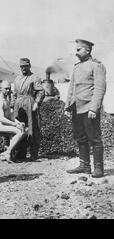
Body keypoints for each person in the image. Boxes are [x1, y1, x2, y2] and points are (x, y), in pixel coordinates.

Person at [65, 39, 107, 178]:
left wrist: (94, 108)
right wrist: (67, 106)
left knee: (94, 139)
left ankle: (98, 168)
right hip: (76, 108)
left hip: (89, 108)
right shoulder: (77, 67)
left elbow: (100, 88)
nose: (75, 52)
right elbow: (72, 88)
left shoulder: (97, 66)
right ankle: (85, 166)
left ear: (87, 50)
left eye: (78, 50)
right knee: (80, 138)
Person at [12, 58, 44, 161]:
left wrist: (37, 103)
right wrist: (12, 106)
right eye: (21, 66)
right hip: (18, 105)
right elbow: (14, 94)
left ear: (29, 66)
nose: (23, 68)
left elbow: (41, 91)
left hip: (30, 103)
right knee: (20, 128)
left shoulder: (34, 78)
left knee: (32, 128)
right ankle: (20, 153)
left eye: (25, 66)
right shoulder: (17, 79)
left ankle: (34, 154)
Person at [0, 81, 26, 163]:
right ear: (0, 89)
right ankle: (8, 152)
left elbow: (11, 116)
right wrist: (15, 125)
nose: (8, 90)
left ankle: (8, 151)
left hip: (3, 124)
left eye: (9, 88)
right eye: (6, 89)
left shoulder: (6, 100)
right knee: (19, 132)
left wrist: (18, 123)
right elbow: (2, 118)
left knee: (24, 130)